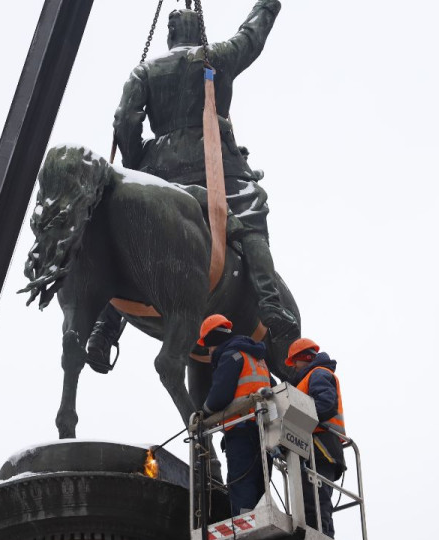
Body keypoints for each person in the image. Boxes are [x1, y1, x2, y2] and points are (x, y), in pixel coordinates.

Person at [87, 0, 296, 371]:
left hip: (158, 173)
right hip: (215, 164)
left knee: (127, 238)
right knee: (250, 213)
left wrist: (139, 165)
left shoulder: (145, 70)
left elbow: (124, 122)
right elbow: (252, 36)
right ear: (199, 30)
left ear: (168, 35)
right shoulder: (214, 56)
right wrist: (269, 4)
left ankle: (104, 329)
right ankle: (270, 305)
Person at [198, 314, 273, 515]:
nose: (210, 351)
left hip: (241, 431)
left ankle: (244, 526)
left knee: (241, 482)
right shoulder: (258, 359)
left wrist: (204, 413)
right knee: (260, 481)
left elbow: (219, 396)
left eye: (209, 346)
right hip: (264, 431)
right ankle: (257, 520)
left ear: (213, 339)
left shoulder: (231, 355)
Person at [286, 338, 347, 538]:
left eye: (295, 361)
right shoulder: (308, 377)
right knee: (311, 502)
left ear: (305, 357)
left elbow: (326, 404)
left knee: (317, 502)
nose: (293, 366)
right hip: (315, 447)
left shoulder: (318, 373)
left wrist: (295, 424)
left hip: (322, 447)